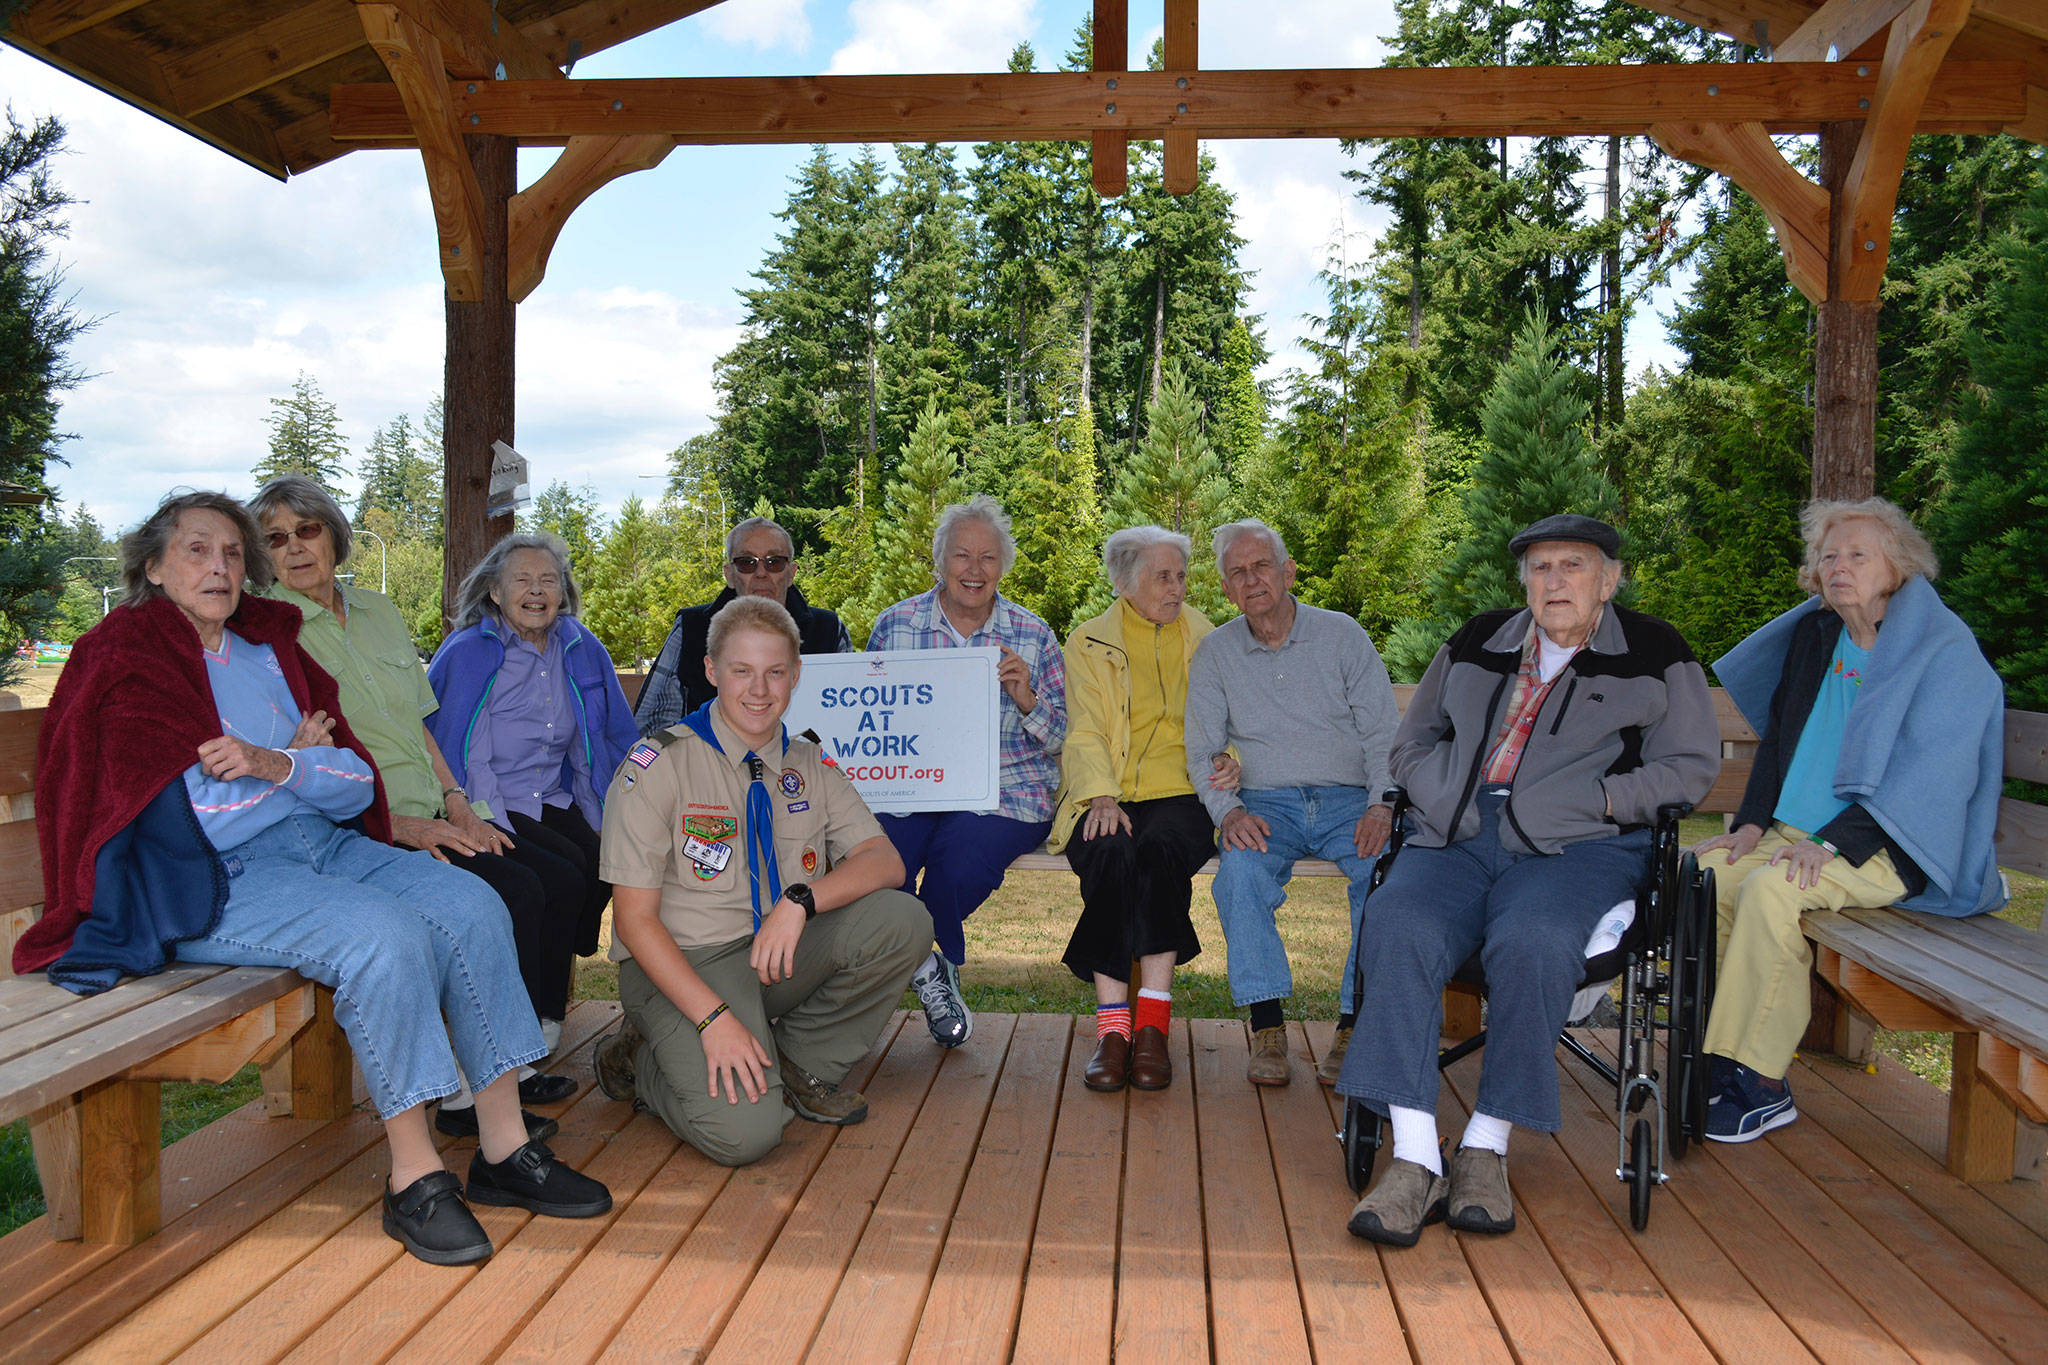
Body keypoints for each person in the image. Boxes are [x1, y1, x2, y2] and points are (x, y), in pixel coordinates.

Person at [14, 491, 610, 1267]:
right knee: (384, 935)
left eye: (232, 553)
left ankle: (502, 1147)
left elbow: (353, 781)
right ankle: (414, 1176)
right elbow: (192, 812)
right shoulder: (129, 656)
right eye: (197, 550)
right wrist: (297, 765)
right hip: (209, 876)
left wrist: (277, 763)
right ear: (154, 566)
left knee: (470, 902)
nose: (220, 566)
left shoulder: (268, 648)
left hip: (321, 846)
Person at [1340, 513, 1719, 1248]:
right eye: (1542, 567)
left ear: (1609, 579)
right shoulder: (1480, 638)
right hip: (1461, 833)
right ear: (1524, 580)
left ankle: (1485, 1147)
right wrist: (1440, 786)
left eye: (1573, 567)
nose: (1556, 582)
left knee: (1536, 939)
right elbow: (1411, 741)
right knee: (1397, 920)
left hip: (1581, 843)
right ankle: (1416, 1158)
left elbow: (1689, 767)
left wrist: (1604, 801)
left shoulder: (1656, 652)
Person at [252, 475, 580, 1132]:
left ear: (333, 536)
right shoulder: (270, 632)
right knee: (510, 891)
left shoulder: (377, 611)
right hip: (366, 827)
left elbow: (421, 725)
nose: (294, 549)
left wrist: (458, 803)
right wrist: (403, 826)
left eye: (307, 530)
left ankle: (506, 1061)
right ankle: (469, 1093)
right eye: (275, 539)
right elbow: (291, 758)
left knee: (549, 876)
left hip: (432, 806)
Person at [1698, 497, 2005, 1142]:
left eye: (1857, 555)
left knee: (1773, 892)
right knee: (1706, 874)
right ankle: (1716, 1052)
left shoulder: (1943, 653)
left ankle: (1760, 1081)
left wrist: (1834, 845)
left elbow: (1934, 781)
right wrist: (1752, 824)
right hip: (1798, 832)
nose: (1839, 567)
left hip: (1892, 846)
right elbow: (1780, 735)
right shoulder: (1819, 634)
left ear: (1897, 565)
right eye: (1828, 556)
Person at [593, 597, 929, 1164]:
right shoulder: (659, 764)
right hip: (683, 963)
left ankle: (796, 1062)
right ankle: (642, 1060)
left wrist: (800, 900)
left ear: (796, 675)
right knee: (747, 1134)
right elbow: (634, 922)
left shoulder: (809, 764)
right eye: (741, 671)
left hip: (776, 952)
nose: (759, 690)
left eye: (775, 672)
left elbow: (884, 861)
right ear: (710, 671)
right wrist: (713, 1020)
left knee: (903, 921)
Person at [1183, 520, 1400, 1089]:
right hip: (1264, 805)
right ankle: (1268, 1026)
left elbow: (1383, 734)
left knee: (1384, 875)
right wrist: (1228, 811)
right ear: (1227, 589)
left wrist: (1382, 807)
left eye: (1261, 567)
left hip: (1349, 801)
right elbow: (1203, 750)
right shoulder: (1215, 653)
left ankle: (1355, 1025)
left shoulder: (1342, 635)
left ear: (1288, 571)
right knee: (1240, 874)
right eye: (1238, 573)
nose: (1252, 580)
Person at [865, 496, 1068, 1048]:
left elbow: (1063, 739)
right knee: (879, 864)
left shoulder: (1033, 635)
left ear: (1003, 565)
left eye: (987, 558)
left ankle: (912, 968)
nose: (973, 571)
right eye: (961, 556)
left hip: (1006, 790)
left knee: (957, 866)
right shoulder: (895, 626)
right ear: (940, 562)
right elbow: (870, 721)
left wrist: (1027, 698)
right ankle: (929, 969)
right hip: (912, 785)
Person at [426, 532, 638, 999]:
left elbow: (613, 732)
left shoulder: (580, 645)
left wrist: (619, 802)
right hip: (487, 795)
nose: (536, 591)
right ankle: (541, 1014)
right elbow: (464, 750)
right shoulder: (469, 652)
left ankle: (568, 948)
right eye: (521, 580)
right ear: (495, 593)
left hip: (556, 792)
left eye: (548, 580)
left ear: (564, 593)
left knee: (607, 860)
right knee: (559, 878)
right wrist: (485, 822)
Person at [1052, 527, 1217, 1092]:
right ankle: (1115, 1031)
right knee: (1112, 853)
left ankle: (1152, 1027)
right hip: (1107, 789)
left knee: (1159, 852)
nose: (1177, 589)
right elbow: (1085, 730)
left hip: (1183, 791)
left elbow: (1230, 721)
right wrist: (1101, 792)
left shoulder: (1205, 637)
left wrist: (1232, 760)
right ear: (1124, 583)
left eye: (1181, 576)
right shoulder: (1089, 642)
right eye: (1163, 577)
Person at [634, 516, 852, 736]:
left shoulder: (830, 630)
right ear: (729, 574)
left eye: (773, 561)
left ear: (791, 573)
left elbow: (850, 716)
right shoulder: (691, 628)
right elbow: (653, 724)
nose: (761, 572)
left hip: (807, 766)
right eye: (746, 563)